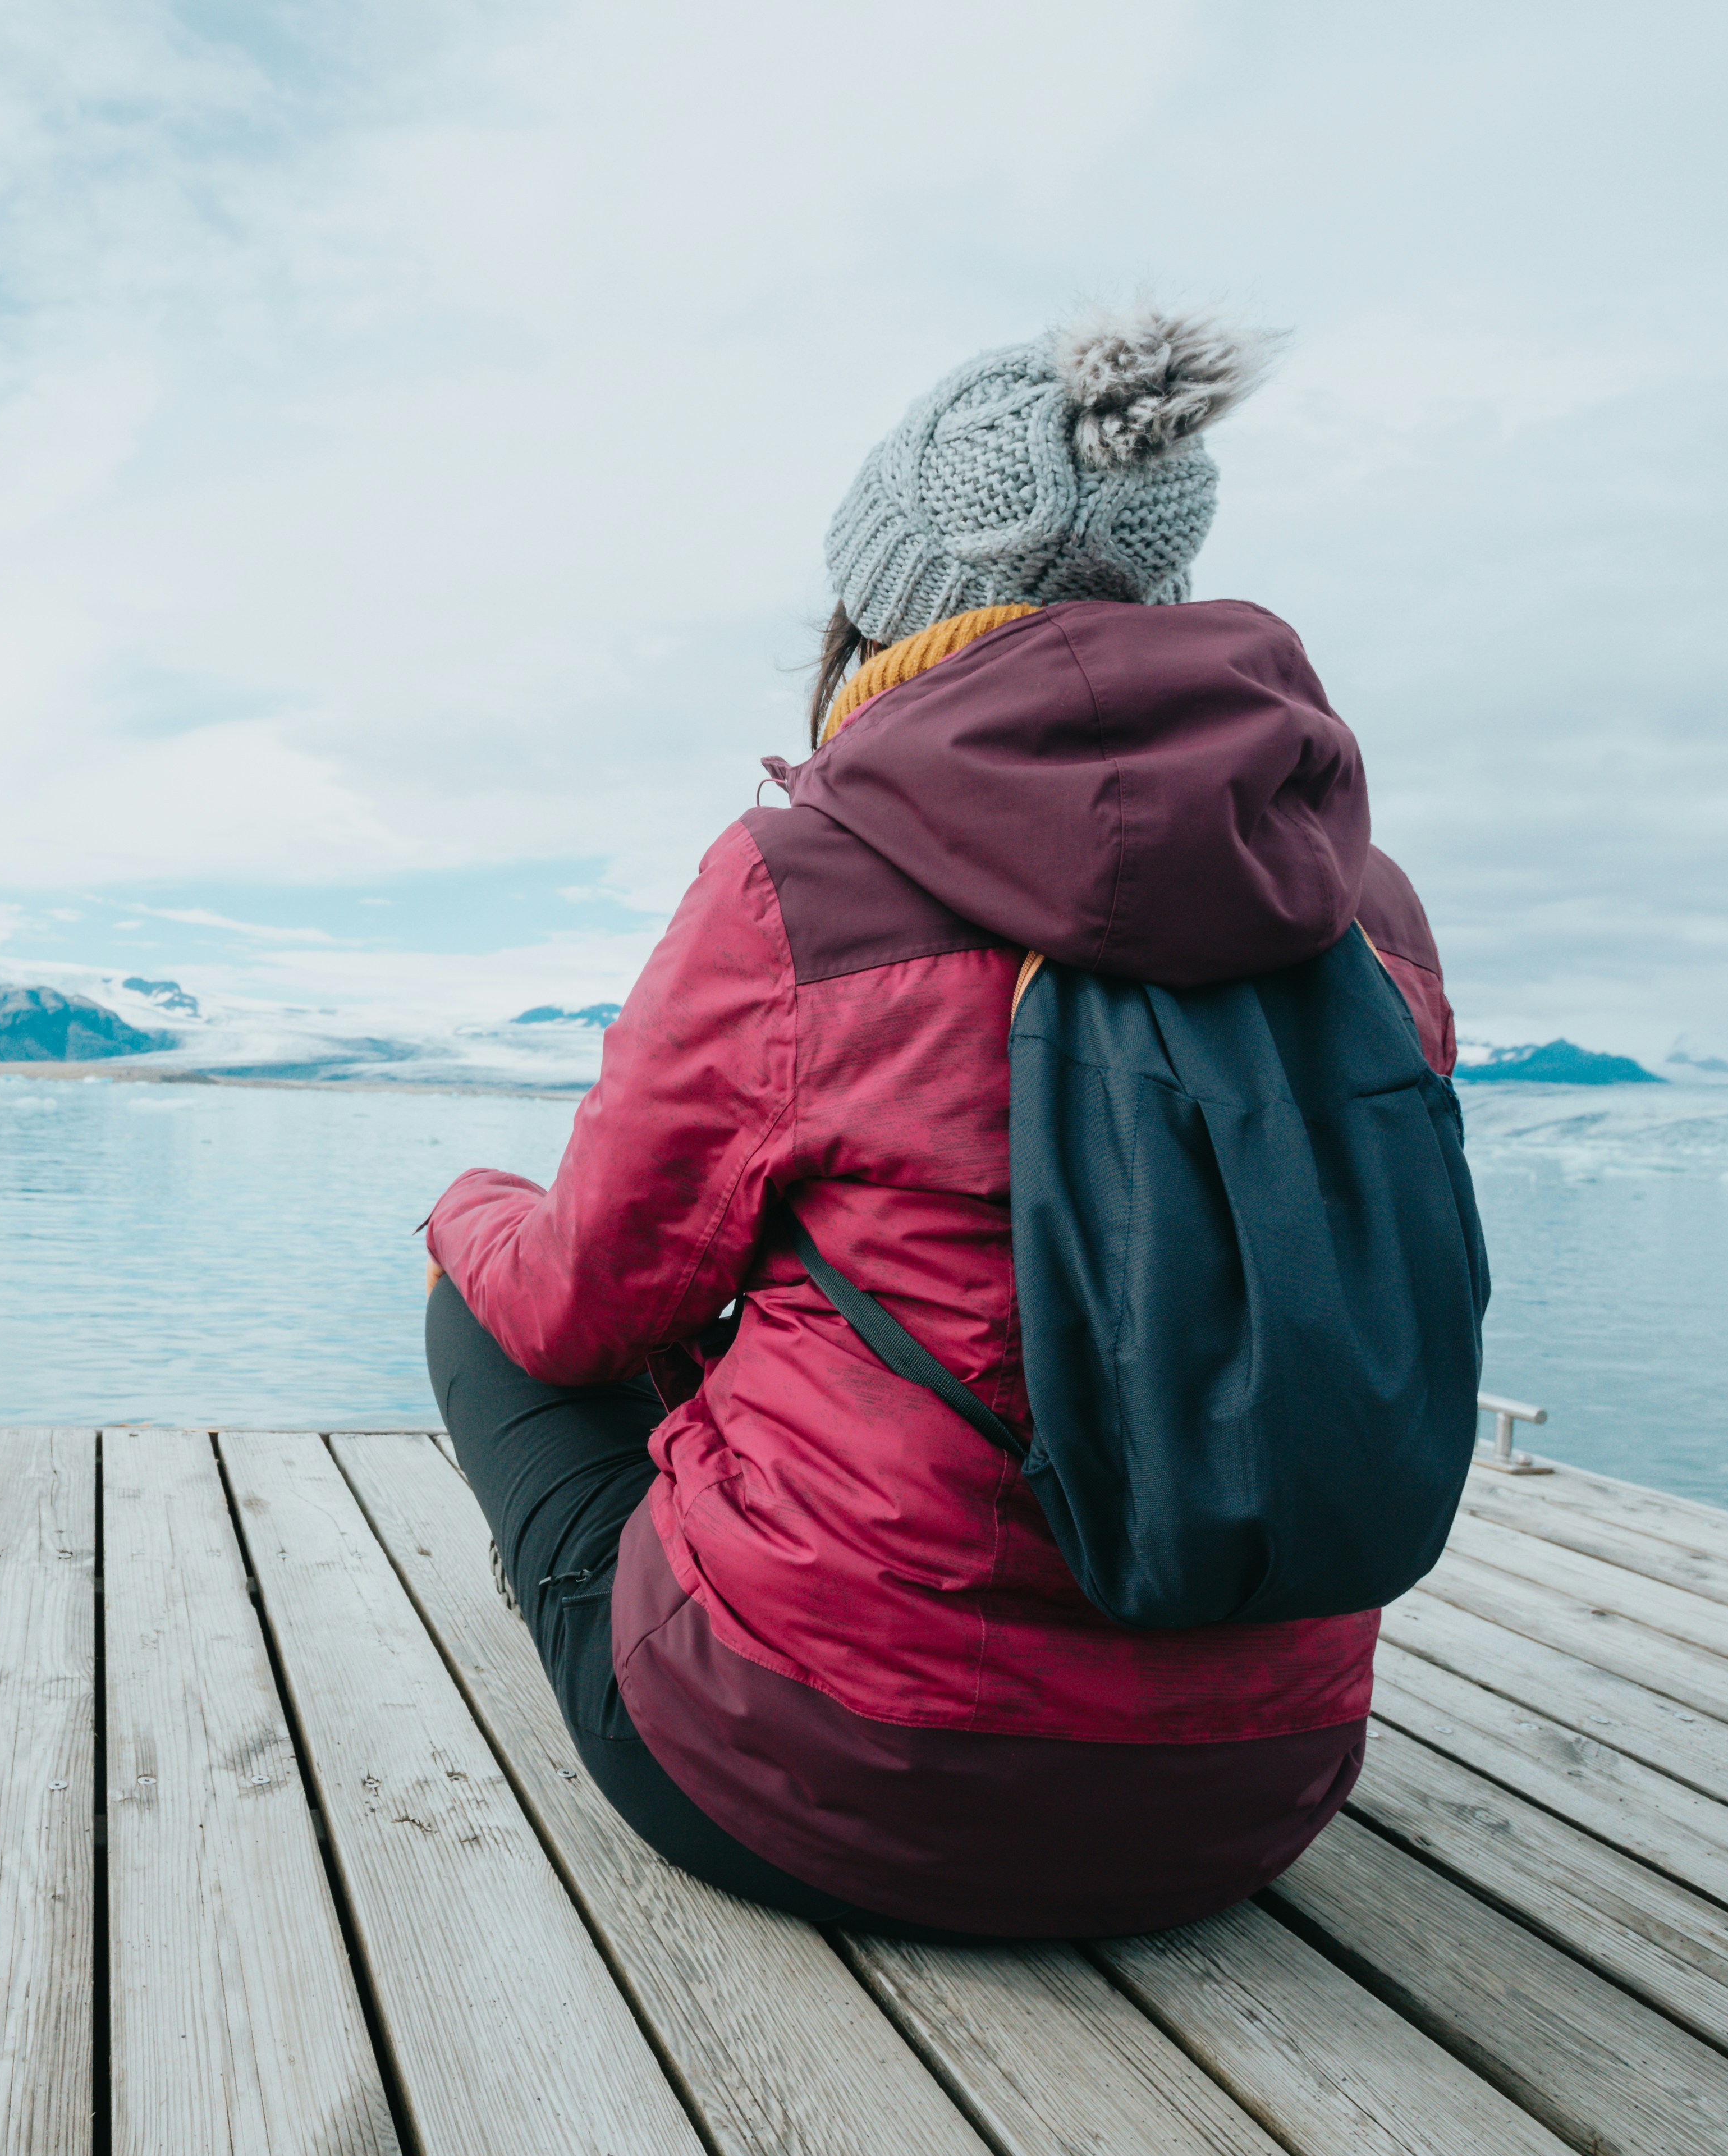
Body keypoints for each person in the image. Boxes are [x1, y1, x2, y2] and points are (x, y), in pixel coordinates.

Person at [421, 305, 1460, 1940]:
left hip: (818, 1776)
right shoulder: (1359, 905)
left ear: (881, 599)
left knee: (487, 1300)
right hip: (1254, 1795)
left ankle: (651, 1619)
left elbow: (575, 1305)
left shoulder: (800, 881)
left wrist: (463, 1212)